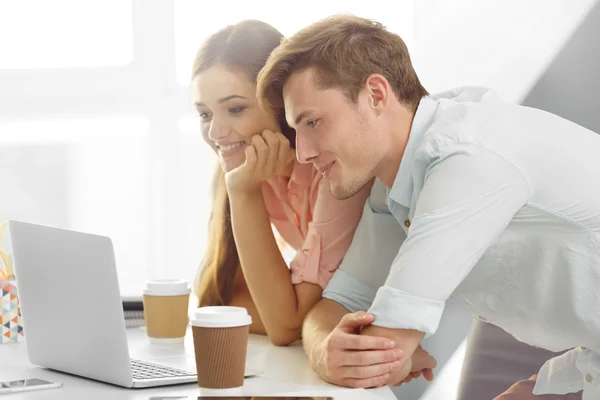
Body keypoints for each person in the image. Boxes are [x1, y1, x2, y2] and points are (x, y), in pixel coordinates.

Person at [256, 13, 600, 398]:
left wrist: (372, 349)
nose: (301, 153)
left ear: (376, 94)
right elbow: (338, 305)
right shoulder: (399, 183)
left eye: (313, 122)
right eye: (296, 130)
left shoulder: (467, 159)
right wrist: (325, 351)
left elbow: (382, 350)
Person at [191, 20, 371, 347]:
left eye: (235, 108)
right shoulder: (252, 169)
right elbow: (221, 299)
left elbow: (285, 326)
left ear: (279, 101)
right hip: (341, 348)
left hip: (403, 348)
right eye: (205, 114)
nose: (216, 133)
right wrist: (283, 310)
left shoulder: (332, 170)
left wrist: (242, 193)